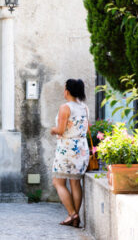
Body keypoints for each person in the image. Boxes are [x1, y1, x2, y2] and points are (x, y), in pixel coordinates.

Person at [50, 78, 89, 228]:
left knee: (58, 182)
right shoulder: (84, 107)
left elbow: (60, 130)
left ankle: (72, 213)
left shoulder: (65, 107)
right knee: (75, 182)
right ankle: (74, 217)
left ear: (67, 91)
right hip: (81, 148)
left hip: (67, 148)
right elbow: (87, 128)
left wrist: (52, 130)